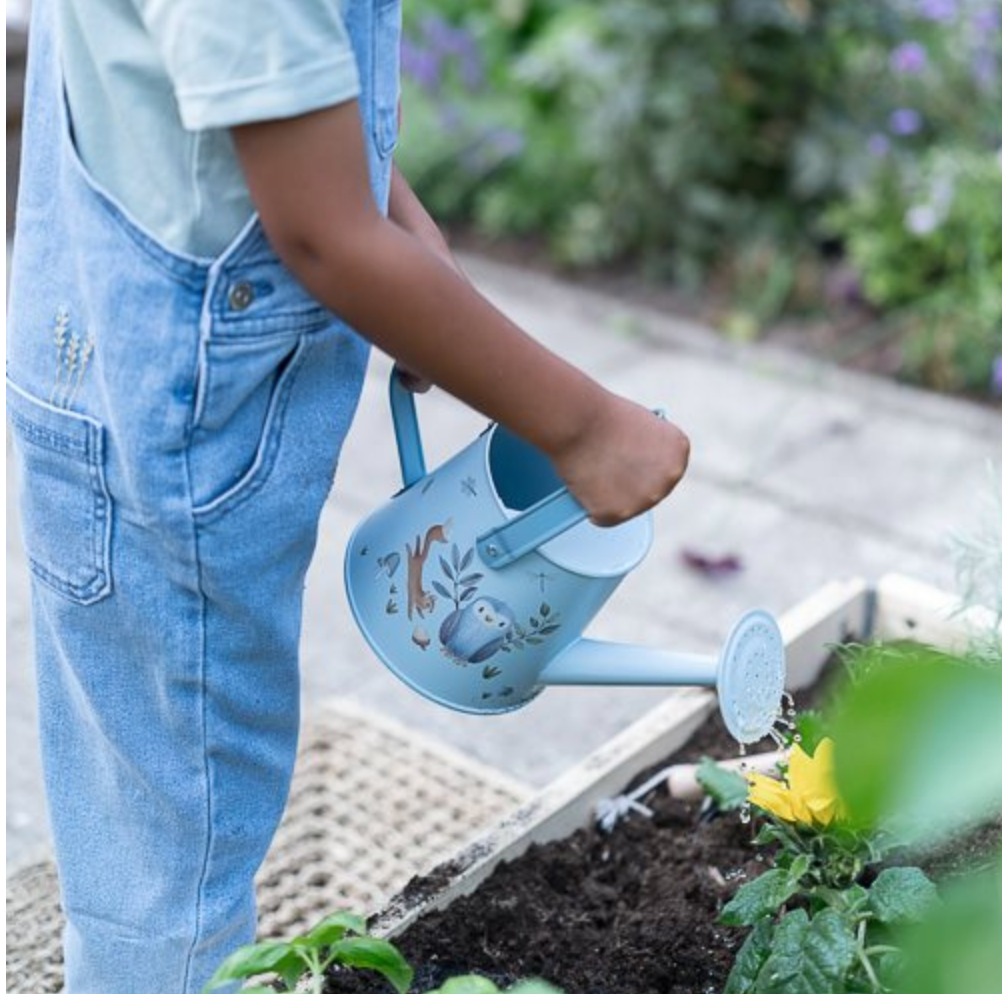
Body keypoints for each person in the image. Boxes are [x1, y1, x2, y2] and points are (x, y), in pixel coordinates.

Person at [6, 1, 691, 991]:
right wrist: (585, 429)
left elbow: (263, 115)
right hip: (176, 451)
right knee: (178, 875)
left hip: (98, 379)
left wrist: (397, 227)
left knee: (141, 818)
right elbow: (321, 234)